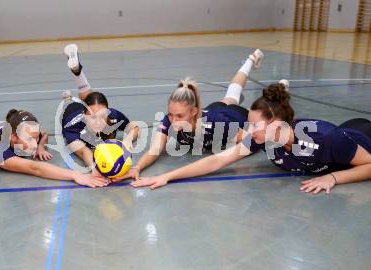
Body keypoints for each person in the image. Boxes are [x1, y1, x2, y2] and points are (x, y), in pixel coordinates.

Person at [132, 83, 371, 194]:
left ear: (276, 123)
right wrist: (166, 176)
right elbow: (217, 161)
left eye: (255, 125)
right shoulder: (263, 138)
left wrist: (333, 178)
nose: (250, 131)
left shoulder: (326, 138)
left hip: (361, 135)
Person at [115, 49, 265, 182]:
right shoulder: (169, 120)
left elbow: (250, 141)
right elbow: (154, 149)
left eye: (179, 116)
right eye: (171, 114)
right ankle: (251, 60)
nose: (173, 120)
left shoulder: (218, 125)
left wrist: (230, 154)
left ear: (193, 112)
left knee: (233, 97)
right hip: (214, 109)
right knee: (231, 95)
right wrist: (137, 167)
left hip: (234, 116)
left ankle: (275, 84)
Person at [0, 101, 108, 188]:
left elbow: (43, 135)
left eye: (35, 137)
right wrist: (76, 175)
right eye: (30, 139)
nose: (34, 141)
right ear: (13, 137)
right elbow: (35, 168)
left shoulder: (28, 132)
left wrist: (39, 146)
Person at [61, 44, 139, 176]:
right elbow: (83, 152)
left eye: (102, 116)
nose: (98, 122)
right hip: (71, 111)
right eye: (92, 118)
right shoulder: (73, 128)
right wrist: (94, 169)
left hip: (88, 109)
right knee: (71, 103)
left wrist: (126, 142)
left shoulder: (113, 115)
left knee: (91, 101)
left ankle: (77, 72)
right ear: (84, 116)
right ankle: (68, 98)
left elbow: (135, 127)